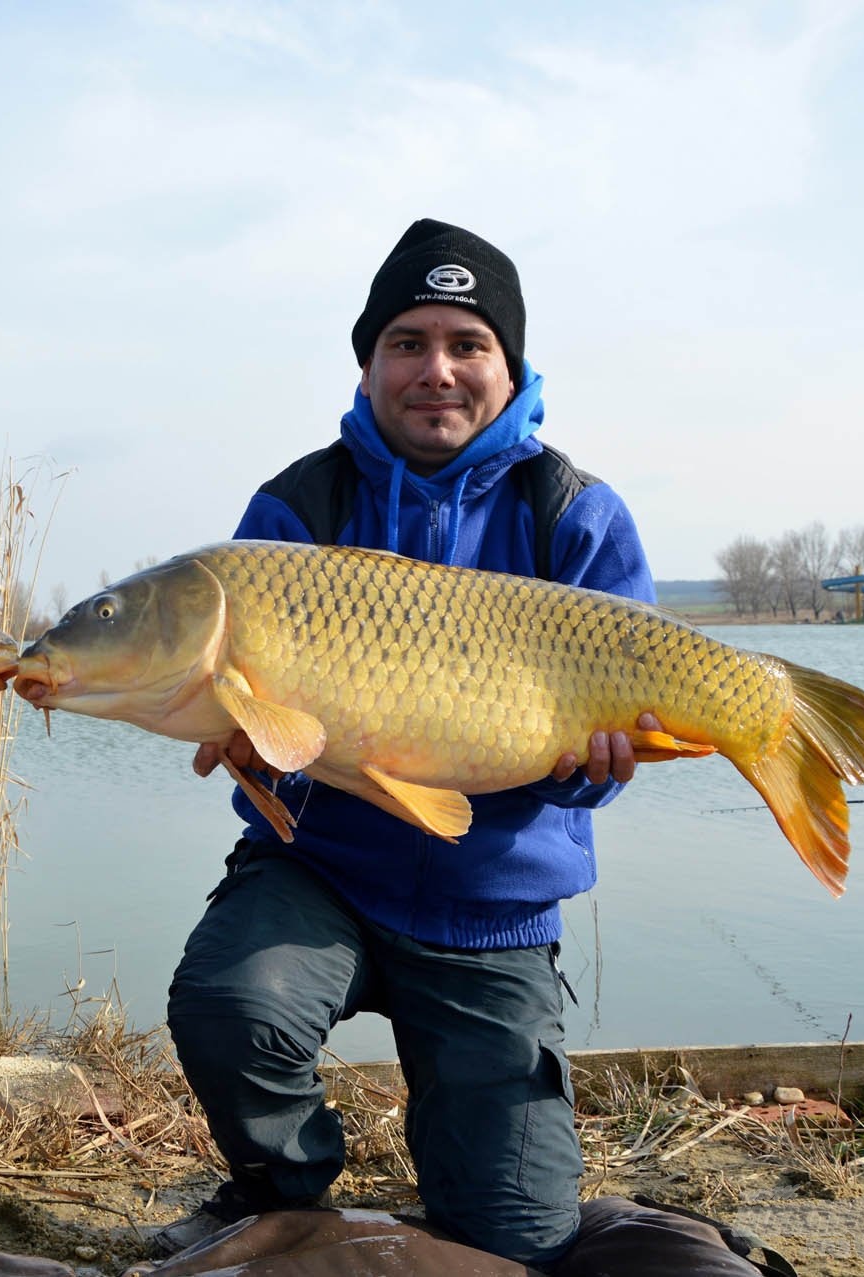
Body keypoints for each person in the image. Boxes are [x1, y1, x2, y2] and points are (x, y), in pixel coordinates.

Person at [153, 220, 665, 1267]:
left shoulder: (575, 514)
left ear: (508, 364)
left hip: (494, 903)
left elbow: (611, 759)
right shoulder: (300, 506)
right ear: (369, 363)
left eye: (465, 342)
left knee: (517, 1238)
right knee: (229, 1001)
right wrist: (246, 745)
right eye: (406, 341)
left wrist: (607, 762)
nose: (436, 369)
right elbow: (249, 739)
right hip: (322, 872)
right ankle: (285, 1198)